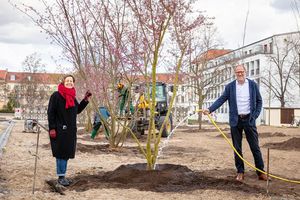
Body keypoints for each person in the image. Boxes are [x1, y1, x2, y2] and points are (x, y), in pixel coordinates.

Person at [203, 65, 269, 182]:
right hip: (235, 120)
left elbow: (259, 101)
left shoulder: (253, 85)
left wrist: (255, 116)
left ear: (245, 72)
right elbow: (221, 99)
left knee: (255, 147)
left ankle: (261, 172)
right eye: (237, 72)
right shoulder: (230, 87)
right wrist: (210, 109)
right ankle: (240, 172)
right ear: (235, 73)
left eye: (241, 71)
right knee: (237, 148)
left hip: (249, 120)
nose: (240, 74)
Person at [47, 74, 92, 186]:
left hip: (70, 130)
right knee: (61, 154)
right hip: (60, 129)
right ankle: (61, 177)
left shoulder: (72, 96)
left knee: (66, 154)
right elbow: (50, 112)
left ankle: (62, 176)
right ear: (63, 82)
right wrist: (52, 128)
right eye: (67, 81)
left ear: (73, 83)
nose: (69, 82)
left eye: (71, 81)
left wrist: (85, 100)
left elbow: (77, 110)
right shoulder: (56, 96)